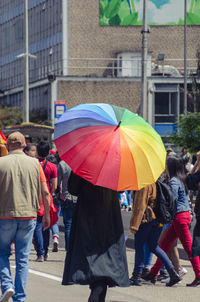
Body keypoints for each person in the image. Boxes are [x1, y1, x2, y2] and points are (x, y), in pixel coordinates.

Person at [62, 172, 130, 302]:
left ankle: (96, 288)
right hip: (110, 215)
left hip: (88, 214)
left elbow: (73, 188)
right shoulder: (116, 164)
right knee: (106, 261)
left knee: (92, 260)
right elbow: (122, 188)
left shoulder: (85, 163)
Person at [0, 132, 50, 302]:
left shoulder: (1, 163)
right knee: (23, 258)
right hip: (29, 215)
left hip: (4, 215)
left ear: (8, 145)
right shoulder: (35, 164)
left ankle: (7, 285)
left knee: (1, 253)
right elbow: (45, 191)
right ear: (23, 145)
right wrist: (47, 215)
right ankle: (19, 297)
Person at [146, 155, 200, 287]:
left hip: (180, 217)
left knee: (188, 248)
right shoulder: (181, 179)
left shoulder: (174, 182)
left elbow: (171, 201)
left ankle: (199, 275)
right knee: (164, 245)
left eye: (166, 165)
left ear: (170, 167)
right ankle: (153, 273)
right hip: (181, 217)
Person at [129, 183, 180, 287]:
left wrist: (134, 225)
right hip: (157, 219)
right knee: (154, 246)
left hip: (146, 219)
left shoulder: (143, 184)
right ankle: (172, 272)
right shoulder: (156, 182)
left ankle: (136, 276)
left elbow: (140, 206)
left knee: (139, 246)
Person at [33, 141, 57, 261]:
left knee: (37, 225)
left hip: (34, 197)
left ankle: (40, 253)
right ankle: (45, 251)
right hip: (46, 196)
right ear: (48, 152)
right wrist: (49, 192)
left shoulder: (32, 164)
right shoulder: (52, 167)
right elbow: (55, 186)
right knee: (47, 224)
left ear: (37, 150)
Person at [57, 159, 77, 251]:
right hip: (79, 198)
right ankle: (76, 248)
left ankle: (69, 249)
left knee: (68, 225)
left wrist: (58, 196)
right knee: (78, 225)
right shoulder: (81, 162)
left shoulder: (62, 164)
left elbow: (57, 183)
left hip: (66, 197)